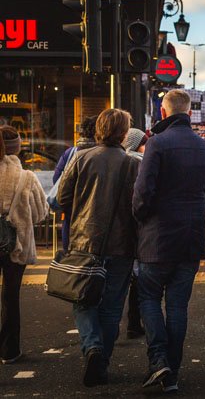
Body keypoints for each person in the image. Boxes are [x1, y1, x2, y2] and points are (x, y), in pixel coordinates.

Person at [133, 89, 205, 392]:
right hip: (191, 237)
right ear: (189, 113)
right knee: (178, 305)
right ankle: (173, 370)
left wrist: (141, 217)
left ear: (163, 113)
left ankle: (159, 361)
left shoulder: (156, 144)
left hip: (157, 237)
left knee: (150, 298)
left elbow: (142, 193)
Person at [57, 109, 140, 387]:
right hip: (122, 245)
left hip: (84, 241)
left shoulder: (81, 158)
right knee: (113, 306)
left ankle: (92, 348)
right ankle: (101, 360)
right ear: (124, 133)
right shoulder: (132, 164)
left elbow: (61, 198)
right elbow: (139, 206)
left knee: (83, 300)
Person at [0, 126, 48, 365]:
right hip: (14, 244)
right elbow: (40, 213)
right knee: (10, 294)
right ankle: (9, 351)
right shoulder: (26, 177)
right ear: (17, 148)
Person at [52, 116, 97, 252]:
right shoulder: (101, 154)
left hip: (71, 210)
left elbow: (57, 179)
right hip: (93, 211)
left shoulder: (70, 153)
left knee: (70, 251)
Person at [121, 128, 148, 340]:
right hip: (137, 228)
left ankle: (129, 322)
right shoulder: (139, 164)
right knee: (137, 277)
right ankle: (133, 321)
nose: (146, 146)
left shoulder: (120, 162)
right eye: (143, 142)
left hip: (120, 229)